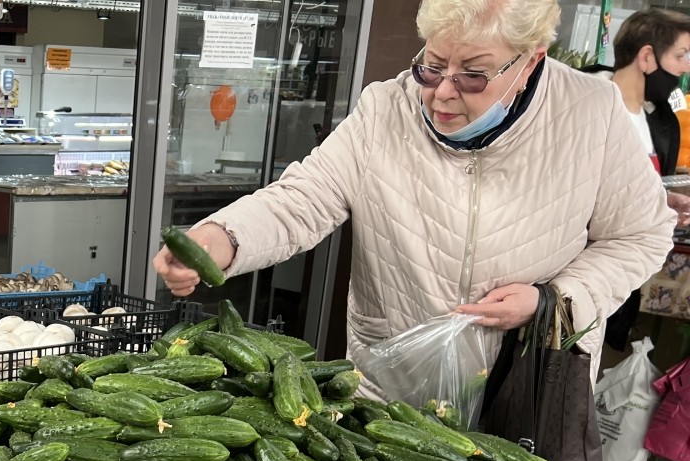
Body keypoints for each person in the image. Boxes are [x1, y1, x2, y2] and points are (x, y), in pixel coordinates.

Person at [154, 0, 675, 383]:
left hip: (526, 384)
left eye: (473, 75)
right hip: (395, 379)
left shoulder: (592, 112)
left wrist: (553, 301)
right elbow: (303, 199)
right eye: (432, 65)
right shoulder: (386, 108)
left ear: (530, 62)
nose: (442, 92)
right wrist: (223, 236)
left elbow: (640, 237)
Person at [591, 9, 690, 349]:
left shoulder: (660, 122)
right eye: (680, 55)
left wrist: (661, 202)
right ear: (646, 56)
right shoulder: (587, 106)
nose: (685, 67)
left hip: (624, 277)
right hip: (579, 272)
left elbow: (639, 190)